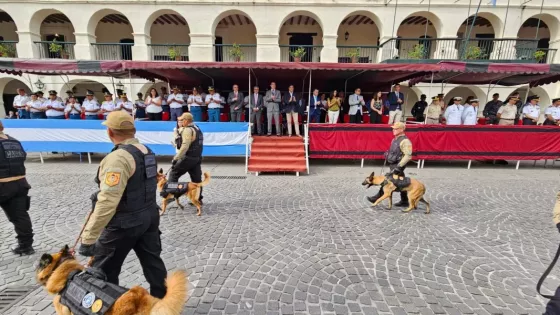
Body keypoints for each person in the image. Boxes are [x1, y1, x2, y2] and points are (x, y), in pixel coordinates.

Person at [78, 111, 167, 298]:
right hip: (149, 216)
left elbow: (108, 201)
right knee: (153, 264)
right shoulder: (146, 151)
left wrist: (88, 238)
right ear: (133, 130)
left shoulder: (118, 158)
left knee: (102, 271)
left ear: (110, 132)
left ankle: (106, 306)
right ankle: (163, 304)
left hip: (124, 222)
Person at [0, 121, 34, 255]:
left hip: (2, 184)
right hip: (20, 183)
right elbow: (23, 157)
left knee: (19, 216)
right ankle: (26, 246)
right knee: (20, 216)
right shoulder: (14, 141)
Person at [366, 122, 412, 207]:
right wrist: (388, 154)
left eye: (396, 129)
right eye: (393, 128)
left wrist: (399, 167)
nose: (393, 130)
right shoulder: (394, 139)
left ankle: (376, 198)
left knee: (387, 181)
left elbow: (408, 155)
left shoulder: (405, 141)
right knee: (400, 182)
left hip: (398, 165)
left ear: (402, 129)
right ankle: (405, 200)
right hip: (393, 164)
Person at [168, 113, 204, 202]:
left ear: (186, 121)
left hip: (188, 157)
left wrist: (176, 158)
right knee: (197, 180)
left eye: (182, 120)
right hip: (197, 157)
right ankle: (198, 199)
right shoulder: (197, 128)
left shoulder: (187, 130)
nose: (180, 122)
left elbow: (185, 146)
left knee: (173, 173)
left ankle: (171, 195)